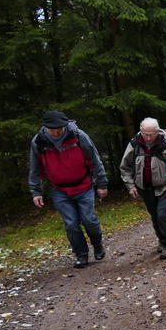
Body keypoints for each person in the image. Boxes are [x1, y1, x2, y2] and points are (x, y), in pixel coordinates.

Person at [28, 110, 108, 269]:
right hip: (59, 190)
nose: (57, 133)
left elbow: (94, 159)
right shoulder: (38, 142)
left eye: (60, 129)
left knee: (89, 220)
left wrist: (102, 183)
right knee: (71, 224)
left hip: (83, 185)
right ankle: (81, 255)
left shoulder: (78, 136)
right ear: (45, 128)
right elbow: (35, 170)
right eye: (53, 130)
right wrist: (36, 192)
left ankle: (97, 244)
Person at [119, 117, 166, 259]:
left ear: (157, 132)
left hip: (165, 185)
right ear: (141, 132)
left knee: (162, 214)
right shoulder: (134, 145)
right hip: (145, 187)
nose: (149, 137)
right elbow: (125, 167)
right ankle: (162, 239)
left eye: (152, 134)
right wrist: (130, 186)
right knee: (154, 215)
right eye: (146, 134)